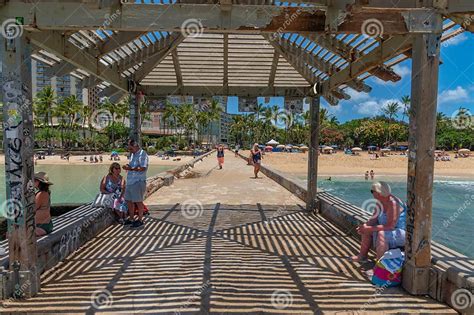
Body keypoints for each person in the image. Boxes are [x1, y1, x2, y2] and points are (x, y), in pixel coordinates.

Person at [350, 182, 407, 262]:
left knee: (381, 234)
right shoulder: (379, 201)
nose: (372, 193)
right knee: (366, 230)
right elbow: (374, 219)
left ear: (379, 193)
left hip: (402, 234)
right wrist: (364, 226)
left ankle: (378, 266)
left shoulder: (393, 203)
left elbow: (390, 226)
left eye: (372, 191)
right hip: (388, 229)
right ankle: (362, 256)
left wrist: (369, 228)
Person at [123, 139, 149, 228]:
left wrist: (131, 169)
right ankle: (131, 219)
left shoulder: (143, 154)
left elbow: (143, 168)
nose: (129, 150)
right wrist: (127, 166)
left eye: (130, 148)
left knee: (138, 201)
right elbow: (133, 166)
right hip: (130, 182)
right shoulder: (132, 155)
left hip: (138, 181)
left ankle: (140, 220)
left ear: (135, 146)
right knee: (129, 201)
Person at [34, 172, 54, 236]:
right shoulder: (45, 192)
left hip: (41, 227)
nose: (33, 182)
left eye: (35, 180)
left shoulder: (41, 194)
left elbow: (32, 209)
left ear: (40, 182)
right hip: (44, 225)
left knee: (14, 234)